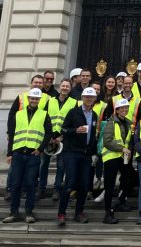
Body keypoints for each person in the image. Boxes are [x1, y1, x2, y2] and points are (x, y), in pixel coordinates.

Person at [3, 88, 51, 224]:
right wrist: (9, 153)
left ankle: (29, 212)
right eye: (32, 98)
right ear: (28, 99)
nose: (34, 100)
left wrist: (40, 149)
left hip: (33, 155)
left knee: (30, 184)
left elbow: (49, 133)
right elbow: (11, 134)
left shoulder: (44, 114)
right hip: (18, 154)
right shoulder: (18, 114)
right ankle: (14, 212)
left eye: (36, 99)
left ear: (39, 100)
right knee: (15, 184)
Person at [57, 86, 98, 227]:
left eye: (91, 98)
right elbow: (63, 129)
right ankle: (61, 213)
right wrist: (75, 130)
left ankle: (78, 212)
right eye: (87, 97)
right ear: (82, 98)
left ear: (94, 100)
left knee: (85, 184)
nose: (89, 100)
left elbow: (93, 135)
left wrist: (93, 152)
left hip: (86, 154)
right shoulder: (73, 112)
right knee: (70, 182)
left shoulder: (95, 115)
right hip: (72, 152)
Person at [40, 78, 76, 201]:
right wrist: (48, 136)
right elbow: (43, 118)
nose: (65, 88)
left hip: (63, 138)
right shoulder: (50, 101)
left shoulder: (74, 102)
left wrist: (63, 137)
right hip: (49, 138)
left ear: (70, 89)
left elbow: (73, 123)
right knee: (44, 164)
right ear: (60, 87)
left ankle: (57, 190)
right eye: (63, 86)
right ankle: (41, 189)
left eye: (67, 86)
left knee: (61, 166)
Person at [100, 98, 133, 224]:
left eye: (126, 108)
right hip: (111, 157)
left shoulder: (128, 123)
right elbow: (107, 141)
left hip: (122, 157)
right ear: (117, 110)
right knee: (109, 186)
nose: (124, 110)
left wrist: (128, 150)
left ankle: (120, 201)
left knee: (129, 178)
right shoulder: (111, 123)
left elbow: (128, 141)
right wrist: (122, 149)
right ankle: (108, 213)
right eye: (122, 108)